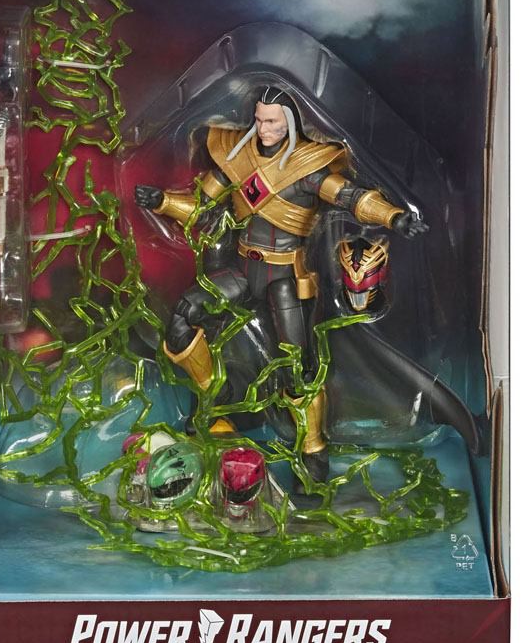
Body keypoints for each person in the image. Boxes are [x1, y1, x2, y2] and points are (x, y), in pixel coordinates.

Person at [135, 87, 428, 482]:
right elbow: (202, 208)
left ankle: (313, 449)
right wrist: (162, 202)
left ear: (289, 122)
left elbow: (350, 196)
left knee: (298, 368)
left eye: (271, 120)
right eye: (258, 119)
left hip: (285, 278)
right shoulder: (236, 157)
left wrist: (394, 217)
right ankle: (217, 398)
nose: (263, 128)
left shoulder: (307, 167)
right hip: (241, 269)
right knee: (181, 319)